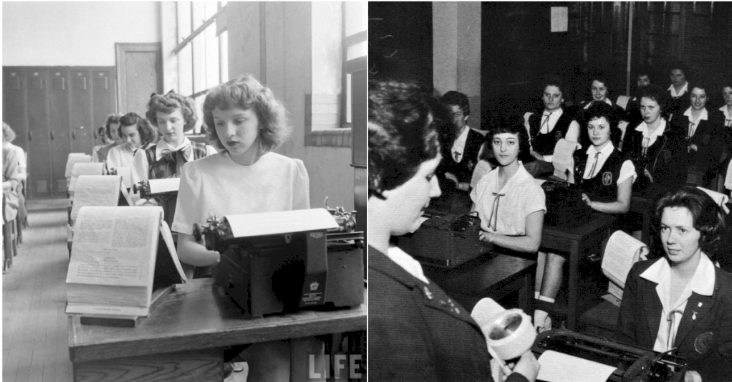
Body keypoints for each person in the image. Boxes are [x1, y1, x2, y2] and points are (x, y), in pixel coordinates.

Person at [369, 80, 539, 382]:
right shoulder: (385, 310)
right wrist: (521, 378)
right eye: (429, 175)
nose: (435, 190)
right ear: (383, 180)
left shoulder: (393, 262)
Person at [171, 75, 310, 382]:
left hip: (274, 294)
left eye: (238, 121)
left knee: (288, 367)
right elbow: (185, 248)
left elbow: (303, 240)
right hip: (219, 294)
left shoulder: (291, 171)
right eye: (219, 123)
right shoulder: (197, 173)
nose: (228, 133)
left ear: (263, 120)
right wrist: (233, 261)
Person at [618, 186, 732, 382]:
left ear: (704, 233)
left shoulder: (726, 289)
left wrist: (698, 376)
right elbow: (624, 342)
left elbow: (727, 363)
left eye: (682, 230)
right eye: (665, 228)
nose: (670, 239)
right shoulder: (640, 275)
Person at [470, 120, 548, 331]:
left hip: (517, 265)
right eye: (497, 142)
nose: (503, 149)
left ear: (520, 146)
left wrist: (492, 237)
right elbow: (472, 221)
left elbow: (532, 243)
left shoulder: (530, 189)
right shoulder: (485, 181)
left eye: (510, 142)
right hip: (483, 255)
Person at [132, 91, 210, 186]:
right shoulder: (144, 156)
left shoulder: (206, 153)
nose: (168, 127)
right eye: (161, 122)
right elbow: (137, 197)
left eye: (173, 120)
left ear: (185, 119)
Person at [622, 85, 686, 197]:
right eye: (642, 107)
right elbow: (624, 161)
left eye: (651, 108)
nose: (646, 112)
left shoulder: (675, 134)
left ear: (661, 107)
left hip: (661, 195)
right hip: (631, 193)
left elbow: (679, 175)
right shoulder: (632, 130)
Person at [523, 76, 580, 177]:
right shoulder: (532, 118)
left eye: (556, 96)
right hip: (530, 164)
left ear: (562, 98)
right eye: (547, 95)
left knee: (531, 167)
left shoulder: (570, 123)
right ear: (542, 96)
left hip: (556, 169)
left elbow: (566, 156)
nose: (550, 99)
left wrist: (543, 158)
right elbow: (526, 145)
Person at [672, 84, 725, 189]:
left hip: (703, 169)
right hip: (677, 166)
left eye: (702, 96)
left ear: (707, 98)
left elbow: (716, 151)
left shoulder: (716, 118)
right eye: (694, 96)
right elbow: (672, 143)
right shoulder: (678, 116)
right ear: (689, 97)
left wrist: (697, 148)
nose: (697, 100)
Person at [435, 91, 486, 198]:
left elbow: (486, 185)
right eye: (448, 114)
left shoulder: (479, 141)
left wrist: (459, 185)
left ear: (466, 115)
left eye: (457, 114)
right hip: (443, 201)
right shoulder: (440, 139)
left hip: (471, 201)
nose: (452, 119)